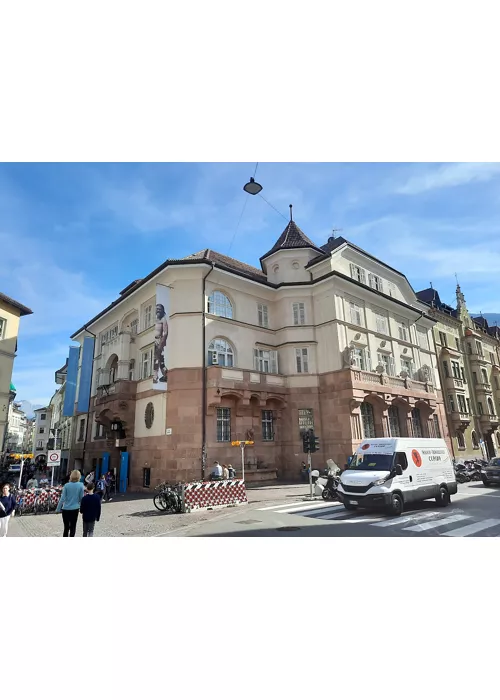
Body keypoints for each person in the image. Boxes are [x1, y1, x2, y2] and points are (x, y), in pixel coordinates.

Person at [56, 470, 84, 537]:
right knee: (73, 527)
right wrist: (82, 508)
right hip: (75, 509)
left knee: (66, 528)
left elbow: (62, 498)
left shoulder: (66, 485)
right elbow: (81, 498)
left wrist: (58, 509)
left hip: (65, 509)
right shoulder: (81, 485)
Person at [153, 303, 168, 384]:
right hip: (154, 341)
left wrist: (161, 344)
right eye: (157, 308)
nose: (158, 310)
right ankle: (159, 376)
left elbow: (165, 333)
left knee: (158, 360)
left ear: (162, 310)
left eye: (159, 309)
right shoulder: (154, 319)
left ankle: (160, 376)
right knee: (158, 360)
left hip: (159, 341)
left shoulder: (163, 319)